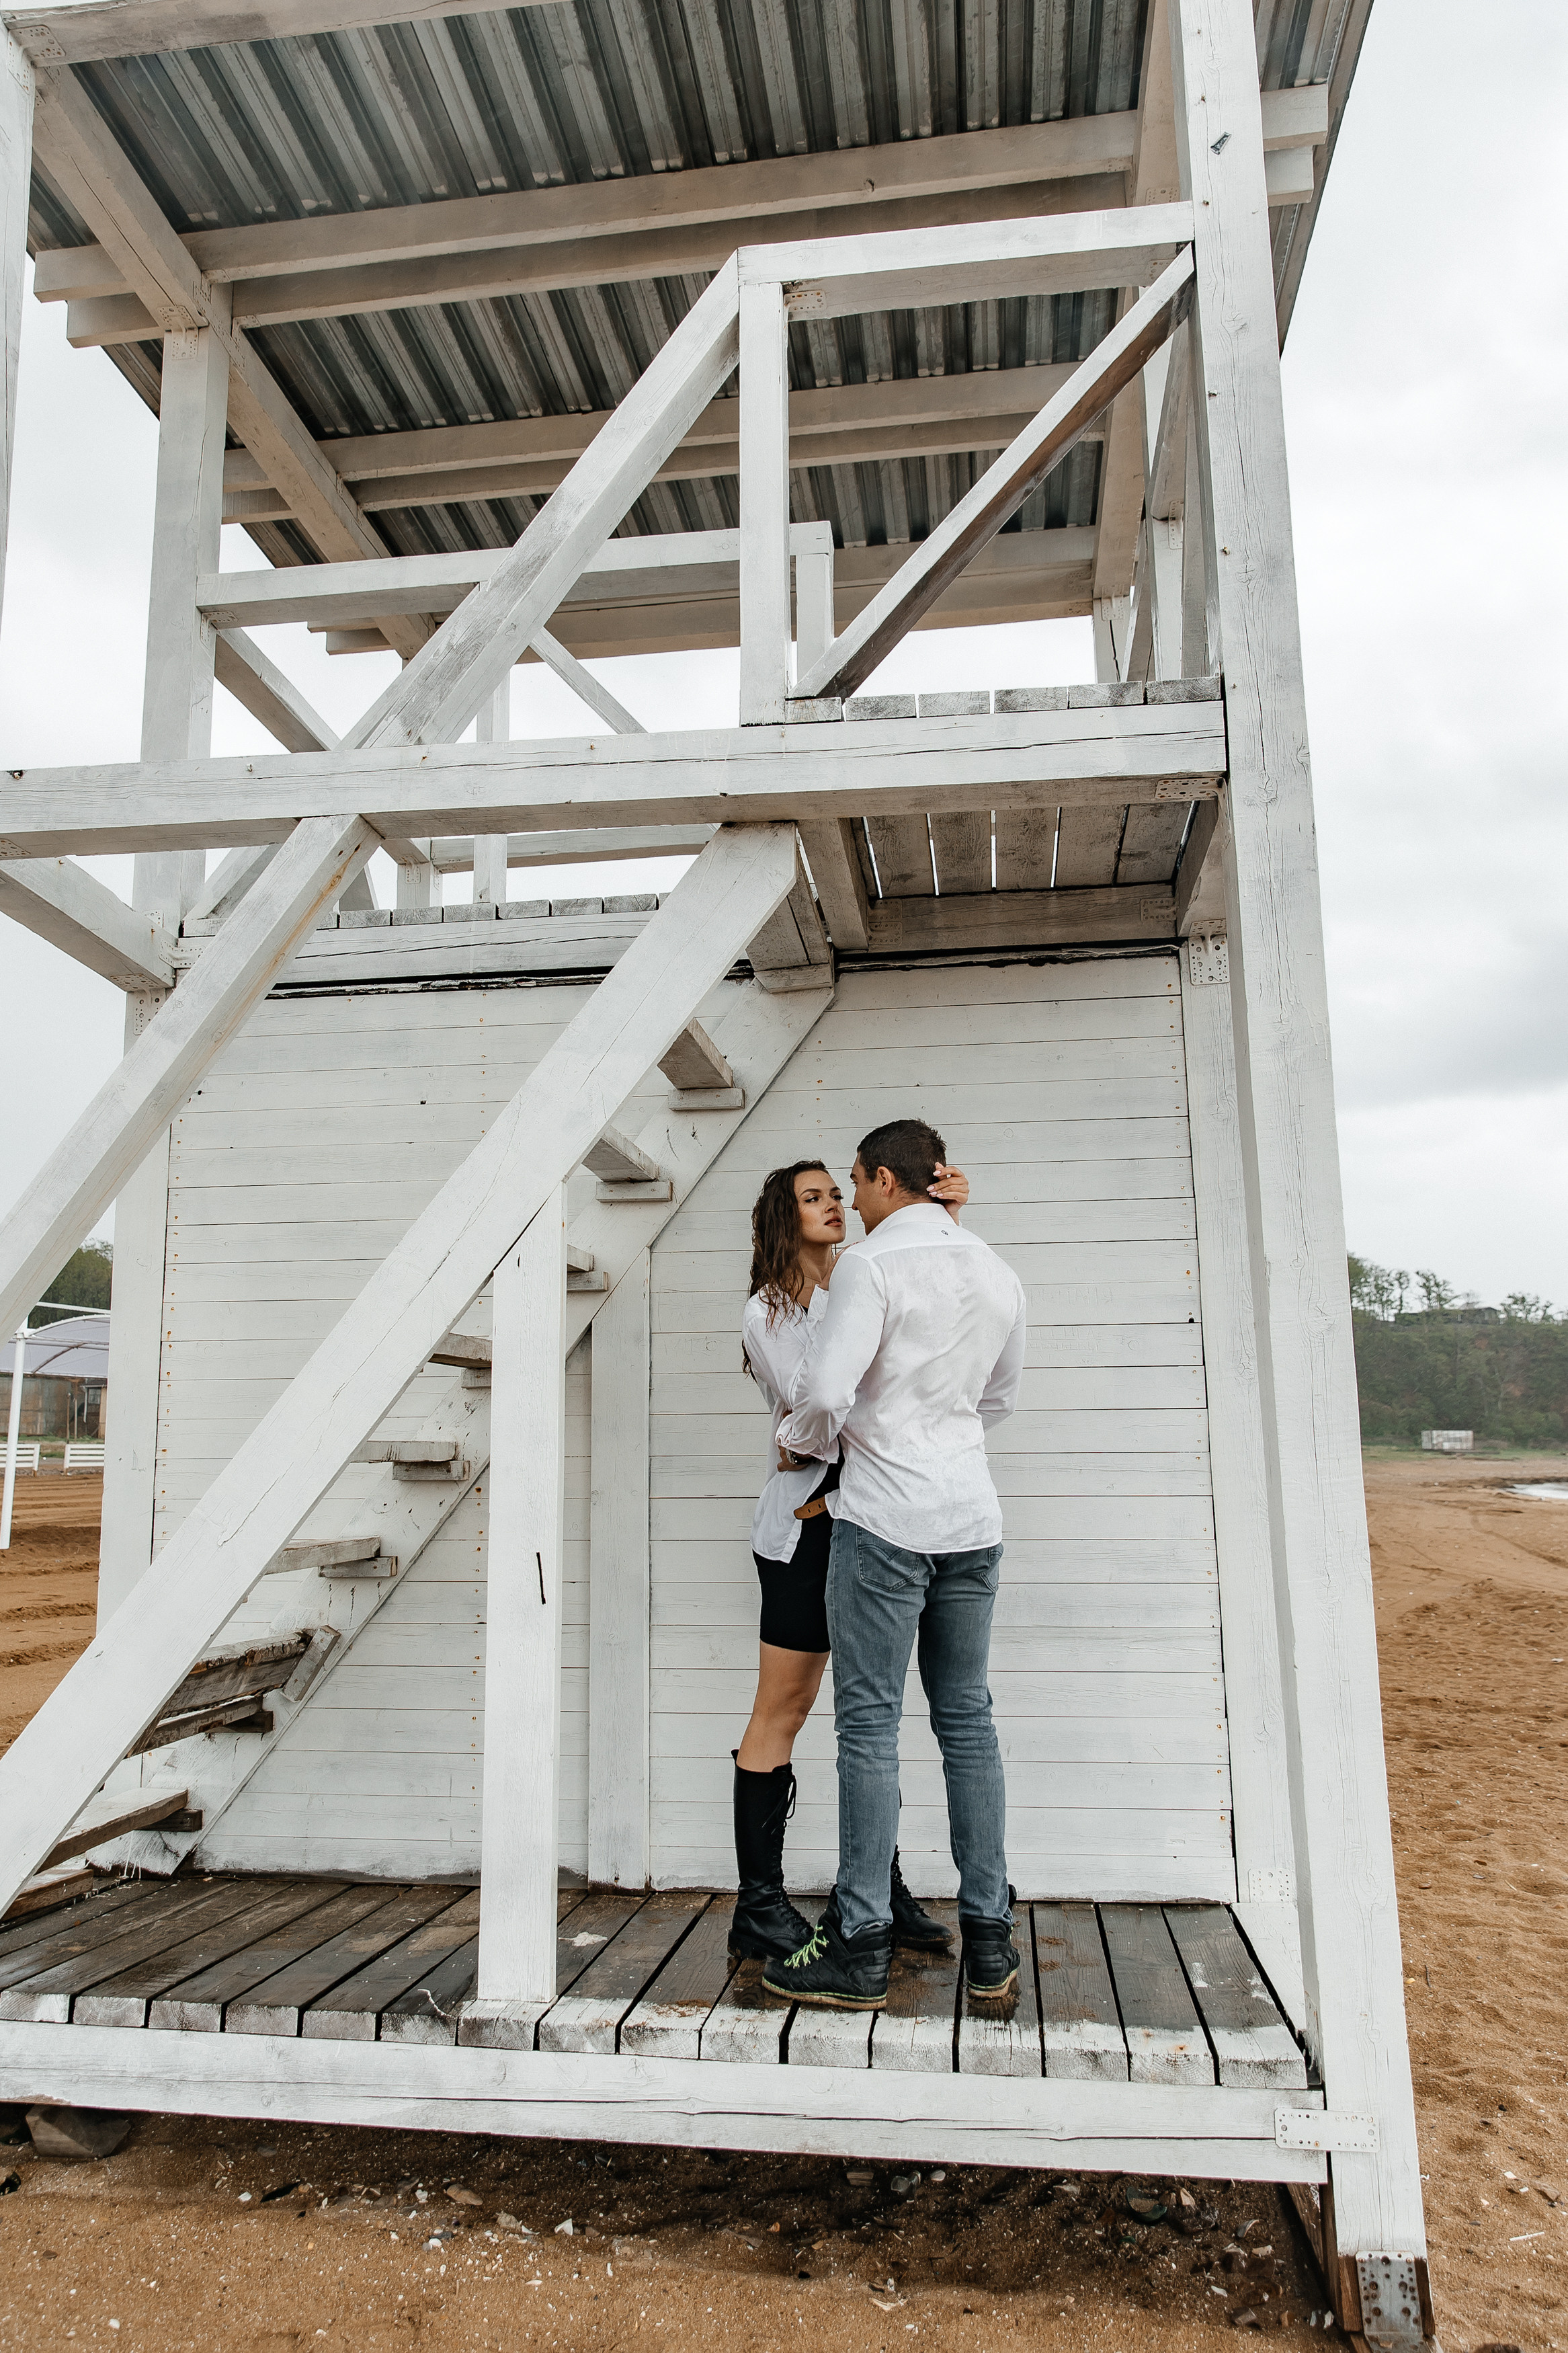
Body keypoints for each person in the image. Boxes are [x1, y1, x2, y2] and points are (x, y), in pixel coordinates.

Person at [761, 1117, 1027, 2011]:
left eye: (855, 1183)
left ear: (883, 1179)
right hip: (970, 1517)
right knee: (968, 1722)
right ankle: (989, 1940)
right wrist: (933, 1432)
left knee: (869, 1727)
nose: (851, 1200)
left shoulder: (872, 1268)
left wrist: (798, 1437)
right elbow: (999, 1395)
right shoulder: (995, 1268)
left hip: (884, 1521)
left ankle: (862, 1942)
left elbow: (827, 1396)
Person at [730, 1154, 970, 1962]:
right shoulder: (767, 1311)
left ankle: (872, 1886)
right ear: (781, 1215)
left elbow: (917, 1362)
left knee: (868, 1715)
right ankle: (758, 1905)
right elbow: (819, 1410)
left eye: (837, 1192)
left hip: (868, 1514)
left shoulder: (866, 1277)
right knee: (785, 1708)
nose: (832, 1204)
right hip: (805, 1528)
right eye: (812, 1197)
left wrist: (949, 1226)